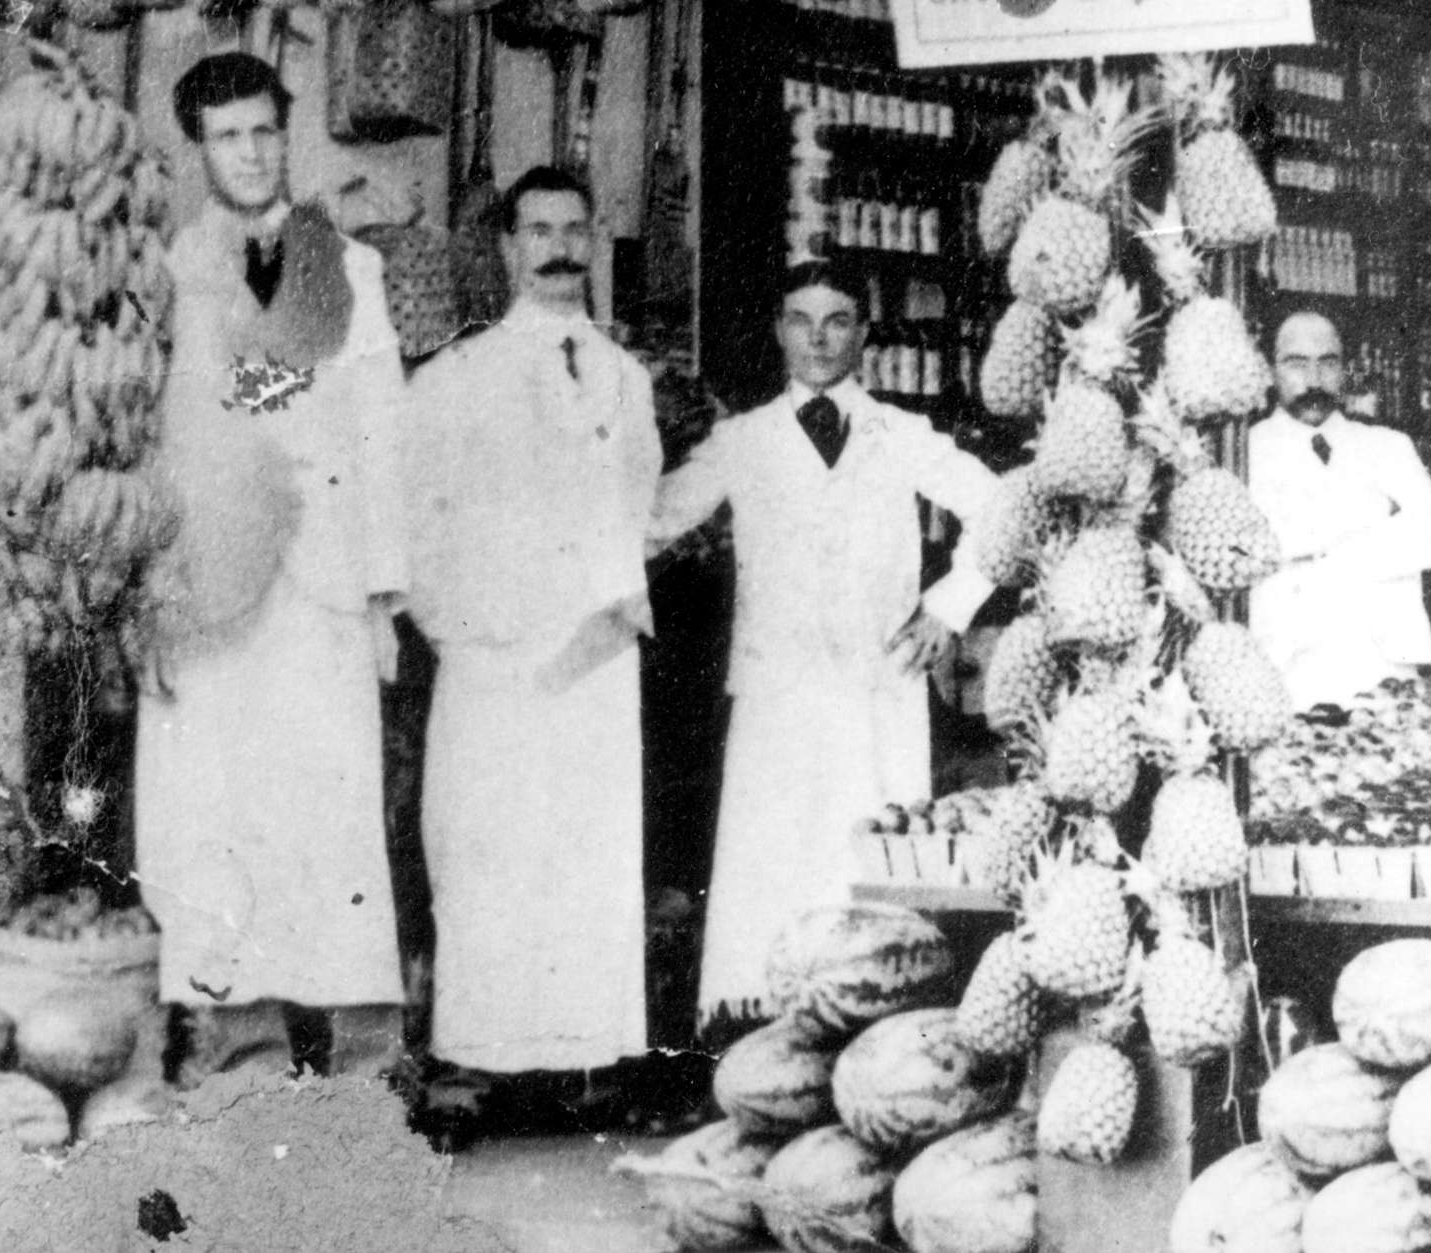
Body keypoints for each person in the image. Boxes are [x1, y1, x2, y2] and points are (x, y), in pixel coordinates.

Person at [136, 52, 408, 1083]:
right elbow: (153, 440)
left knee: (332, 822)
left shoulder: (349, 267)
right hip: (212, 592)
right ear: (199, 147)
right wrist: (151, 598)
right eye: (227, 135)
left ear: (284, 134)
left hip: (325, 584)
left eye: (263, 130)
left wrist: (385, 598)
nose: (249, 151)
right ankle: (239, 1050)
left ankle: (363, 1062)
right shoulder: (166, 275)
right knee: (216, 819)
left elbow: (382, 431)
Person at [647, 260, 1003, 1022]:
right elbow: (651, 522)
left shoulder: (902, 435)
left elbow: (1005, 508)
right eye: (801, 320)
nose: (818, 337)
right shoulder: (742, 440)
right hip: (779, 699)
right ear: (778, 331)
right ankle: (755, 1042)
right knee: (771, 882)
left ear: (864, 333)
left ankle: (880, 1034)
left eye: (837, 320)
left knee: (871, 887)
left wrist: (949, 608)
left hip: (878, 695)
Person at [405, 167, 662, 1083]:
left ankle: (588, 1063)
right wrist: (465, 634)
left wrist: (602, 622)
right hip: (492, 659)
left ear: (593, 241)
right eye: (538, 230)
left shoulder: (627, 379)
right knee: (487, 849)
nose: (557, 246)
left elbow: (637, 506)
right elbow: (415, 520)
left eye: (573, 228)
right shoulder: (454, 377)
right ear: (509, 248)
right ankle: (475, 1063)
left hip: (594, 659)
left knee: (586, 852)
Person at [1245, 311, 1431, 709]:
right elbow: (1246, 551)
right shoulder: (1244, 450)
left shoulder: (1390, 446)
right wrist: (1374, 517)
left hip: (1385, 668)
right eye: (1297, 363)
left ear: (1346, 370)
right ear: (1269, 371)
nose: (1314, 380)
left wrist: (1310, 552)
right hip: (1287, 669)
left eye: (1328, 362)